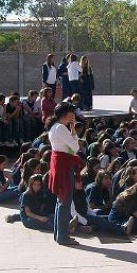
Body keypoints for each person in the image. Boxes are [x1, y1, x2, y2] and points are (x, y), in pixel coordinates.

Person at [47, 102, 84, 246]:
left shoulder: (57, 126)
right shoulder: (60, 128)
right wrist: (73, 129)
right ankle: (62, 236)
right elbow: (75, 147)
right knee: (65, 202)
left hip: (61, 163)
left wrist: (73, 127)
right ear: (66, 114)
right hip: (63, 165)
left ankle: (59, 234)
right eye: (71, 113)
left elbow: (74, 144)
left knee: (61, 202)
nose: (73, 115)